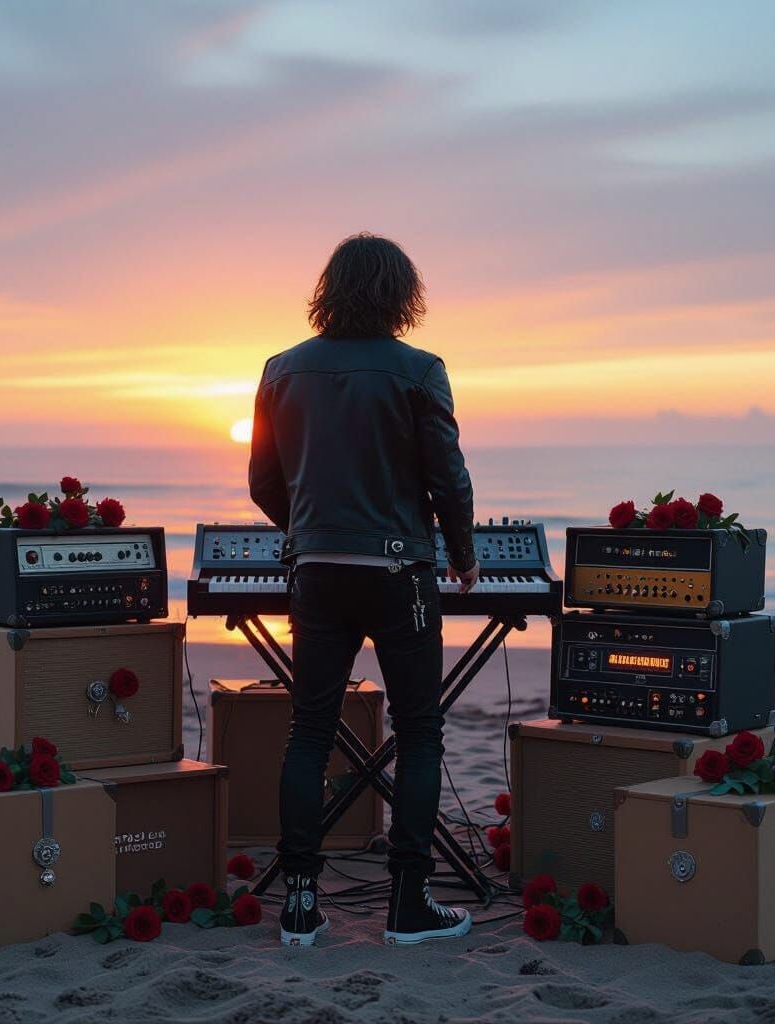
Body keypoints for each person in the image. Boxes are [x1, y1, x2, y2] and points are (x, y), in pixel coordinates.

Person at [249, 231, 479, 948]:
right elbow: (447, 476)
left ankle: (298, 905)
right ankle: (409, 906)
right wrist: (462, 554)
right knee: (419, 734)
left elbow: (263, 481)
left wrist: (312, 534)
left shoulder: (281, 369)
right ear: (402, 296)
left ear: (330, 289)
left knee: (310, 731)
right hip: (399, 575)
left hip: (316, 574)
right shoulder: (420, 370)